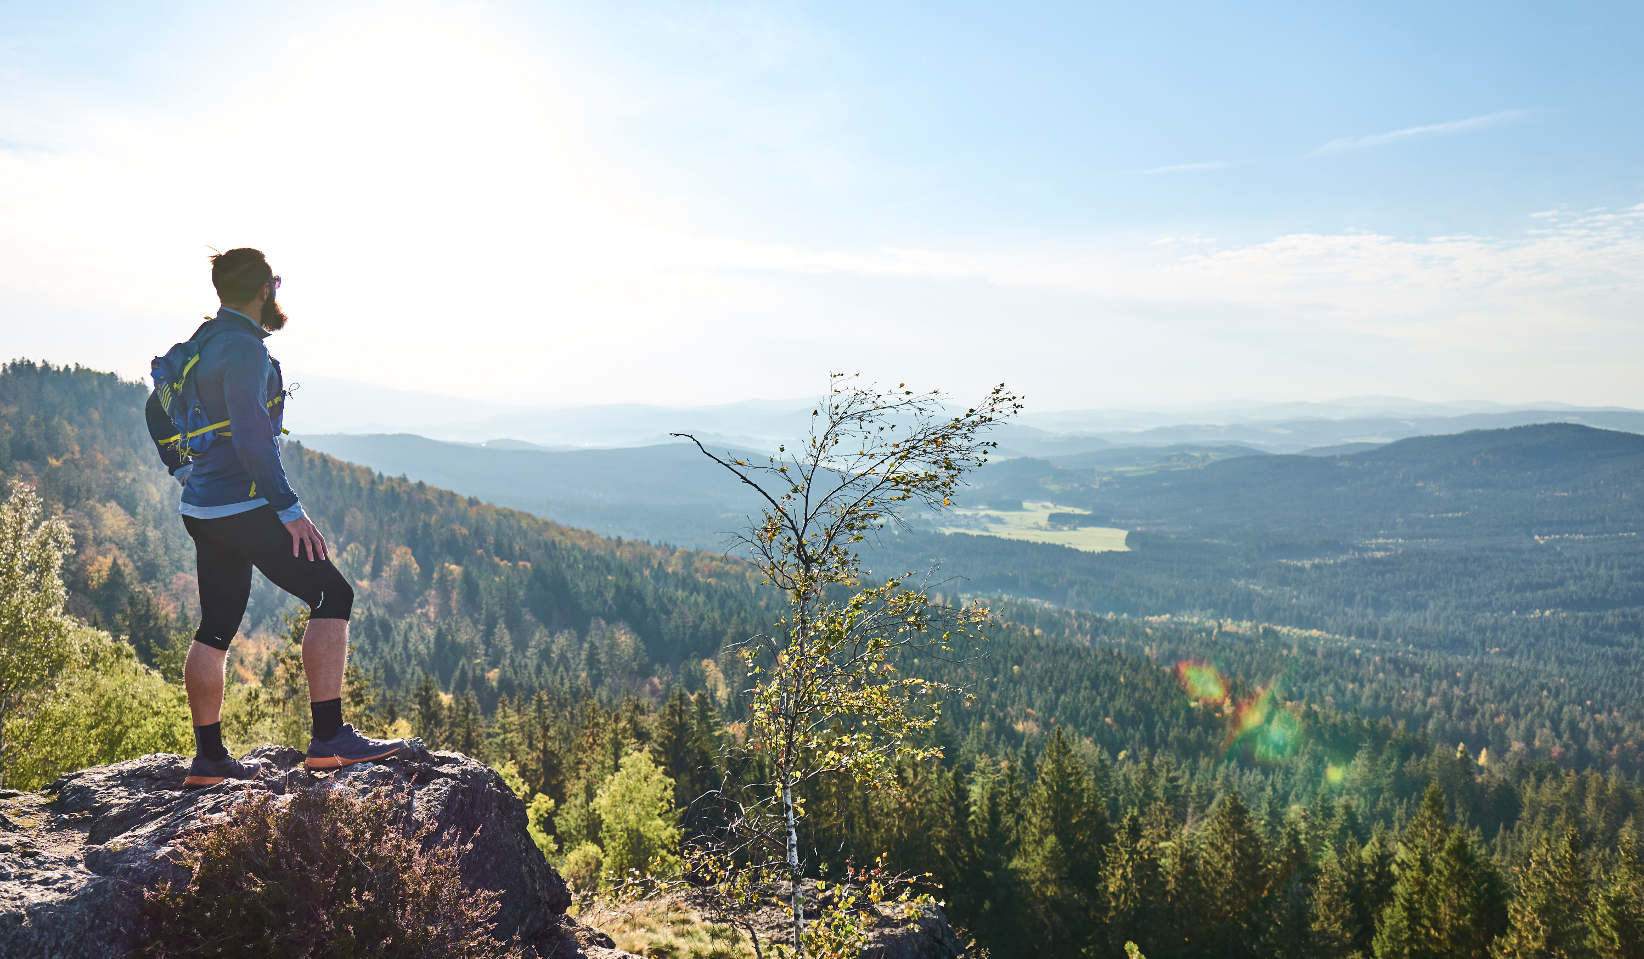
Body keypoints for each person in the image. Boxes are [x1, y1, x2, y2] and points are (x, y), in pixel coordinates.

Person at [145, 248, 404, 787]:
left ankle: (210, 760)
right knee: (333, 596)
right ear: (264, 290)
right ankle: (329, 739)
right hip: (245, 507)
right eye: (275, 284)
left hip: (202, 510)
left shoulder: (199, 344)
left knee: (215, 628)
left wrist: (180, 471)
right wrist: (290, 512)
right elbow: (251, 439)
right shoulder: (244, 351)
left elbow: (155, 407)